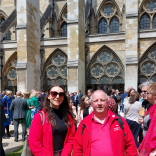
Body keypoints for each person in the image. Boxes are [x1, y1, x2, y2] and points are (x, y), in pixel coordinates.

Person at [73, 90, 138, 156]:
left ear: (107, 102)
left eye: (102, 100)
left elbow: (131, 146)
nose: (99, 103)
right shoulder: (84, 123)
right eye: (96, 101)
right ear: (91, 103)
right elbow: (77, 149)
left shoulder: (118, 120)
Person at [29, 85, 75, 156]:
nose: (57, 96)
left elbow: (71, 138)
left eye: (61, 94)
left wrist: (65, 154)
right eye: (54, 93)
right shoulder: (39, 117)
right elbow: (34, 144)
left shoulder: (68, 116)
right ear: (48, 96)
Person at [139, 82, 156, 156]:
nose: (145, 94)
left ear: (154, 95)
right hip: (148, 142)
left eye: (147, 93)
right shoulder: (152, 107)